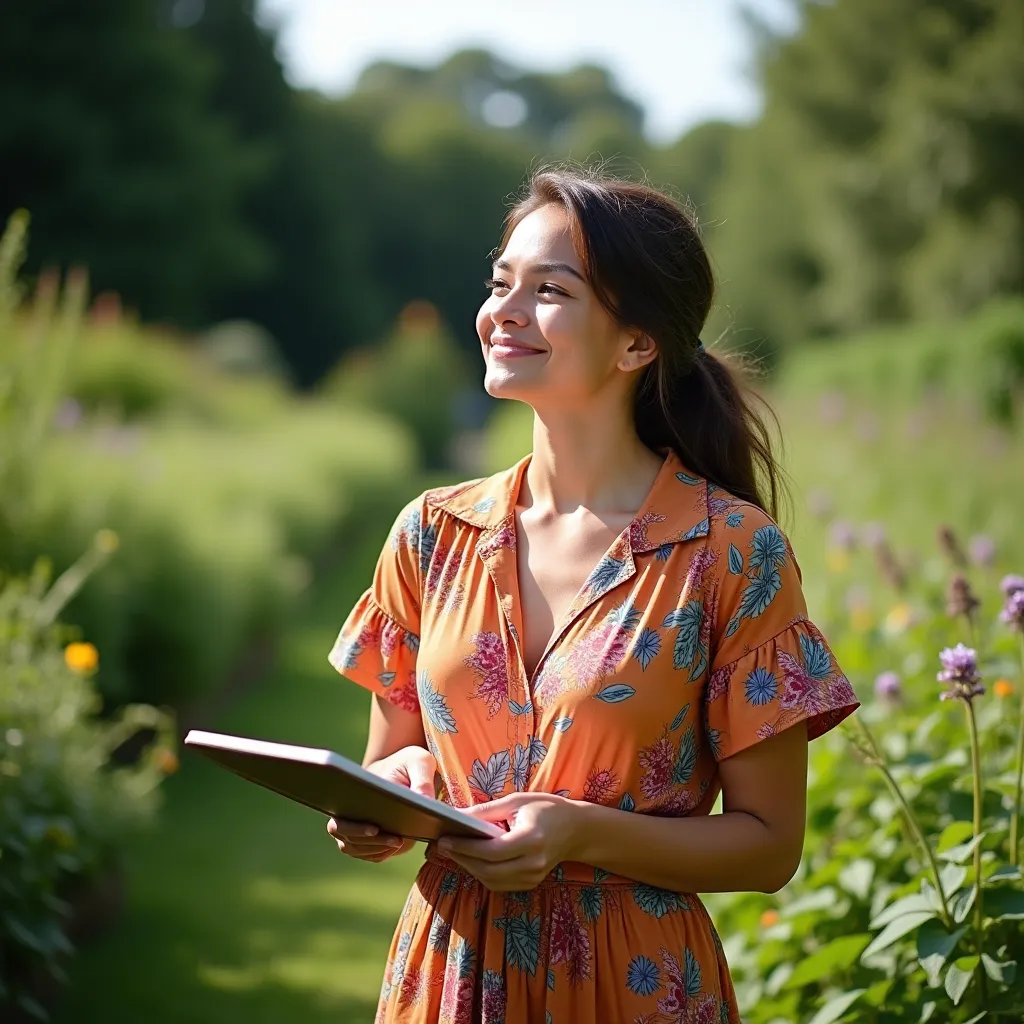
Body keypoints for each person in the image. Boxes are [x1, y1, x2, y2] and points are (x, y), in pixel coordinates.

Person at [326, 165, 860, 1024]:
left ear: (637, 343)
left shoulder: (730, 552)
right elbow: (396, 753)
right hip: (449, 974)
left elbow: (769, 847)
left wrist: (580, 833)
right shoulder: (431, 534)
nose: (503, 311)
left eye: (550, 291)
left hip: (634, 986)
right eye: (501, 282)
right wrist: (390, 794)